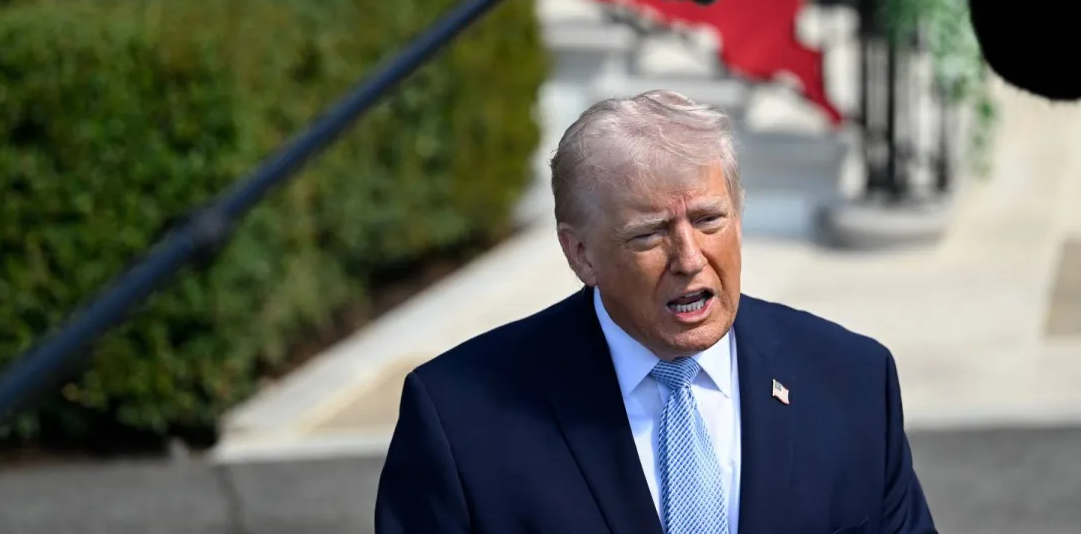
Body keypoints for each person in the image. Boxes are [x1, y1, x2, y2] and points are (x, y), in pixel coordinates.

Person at [374, 90, 938, 534]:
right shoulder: (459, 418)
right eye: (649, 235)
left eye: (709, 220)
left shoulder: (853, 380)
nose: (690, 259)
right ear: (581, 254)